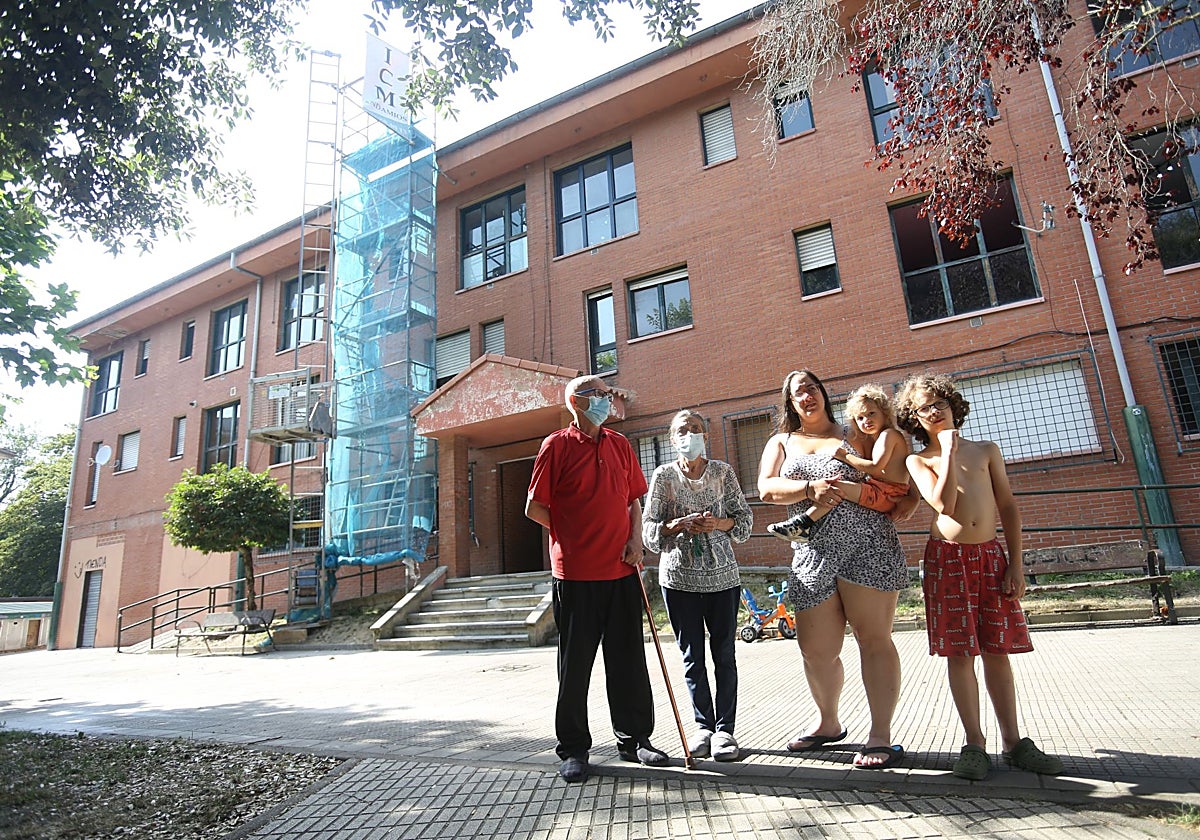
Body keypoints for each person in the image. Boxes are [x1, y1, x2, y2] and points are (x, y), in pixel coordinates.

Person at [895, 372, 1064, 781]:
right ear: (915, 418)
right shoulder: (917, 460)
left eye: (940, 403)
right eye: (924, 408)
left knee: (996, 650)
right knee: (960, 653)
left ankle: (1014, 742)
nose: (934, 411)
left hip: (990, 557)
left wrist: (1016, 563)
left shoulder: (987, 450)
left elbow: (1008, 506)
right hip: (947, 561)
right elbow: (944, 505)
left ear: (953, 405)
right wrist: (948, 452)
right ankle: (974, 743)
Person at [758, 370, 915, 770]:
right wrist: (810, 490)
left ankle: (880, 734)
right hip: (811, 554)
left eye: (811, 388)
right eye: (797, 393)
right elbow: (766, 489)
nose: (806, 396)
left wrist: (906, 504)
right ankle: (828, 723)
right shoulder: (781, 442)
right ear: (790, 403)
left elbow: (899, 473)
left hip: (868, 547)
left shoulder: (857, 430)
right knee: (815, 650)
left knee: (874, 639)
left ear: (823, 393)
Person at [525, 375, 669, 784]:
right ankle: (573, 750)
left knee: (628, 660)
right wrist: (570, 534)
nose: (609, 399)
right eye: (601, 394)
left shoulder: (620, 444)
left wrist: (636, 541)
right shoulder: (556, 444)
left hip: (622, 569)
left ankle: (636, 739)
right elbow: (535, 507)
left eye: (609, 393)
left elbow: (633, 501)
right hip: (576, 574)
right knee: (575, 666)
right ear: (577, 401)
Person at [642, 409, 754, 762]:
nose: (688, 434)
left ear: (706, 435)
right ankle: (703, 726)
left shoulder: (723, 473)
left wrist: (719, 523)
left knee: (725, 653)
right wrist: (675, 525)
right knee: (692, 657)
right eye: (681, 430)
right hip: (678, 579)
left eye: (695, 429)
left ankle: (725, 731)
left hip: (723, 577)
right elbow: (648, 530)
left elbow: (745, 522)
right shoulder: (663, 476)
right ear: (672, 438)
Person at [767, 384, 910, 543]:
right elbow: (766, 491)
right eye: (860, 418)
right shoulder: (781, 441)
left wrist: (846, 456)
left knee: (837, 487)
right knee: (836, 487)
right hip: (880, 492)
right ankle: (803, 524)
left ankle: (803, 523)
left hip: (886, 495)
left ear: (885, 413)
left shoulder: (888, 435)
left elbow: (877, 468)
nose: (866, 421)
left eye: (871, 414)